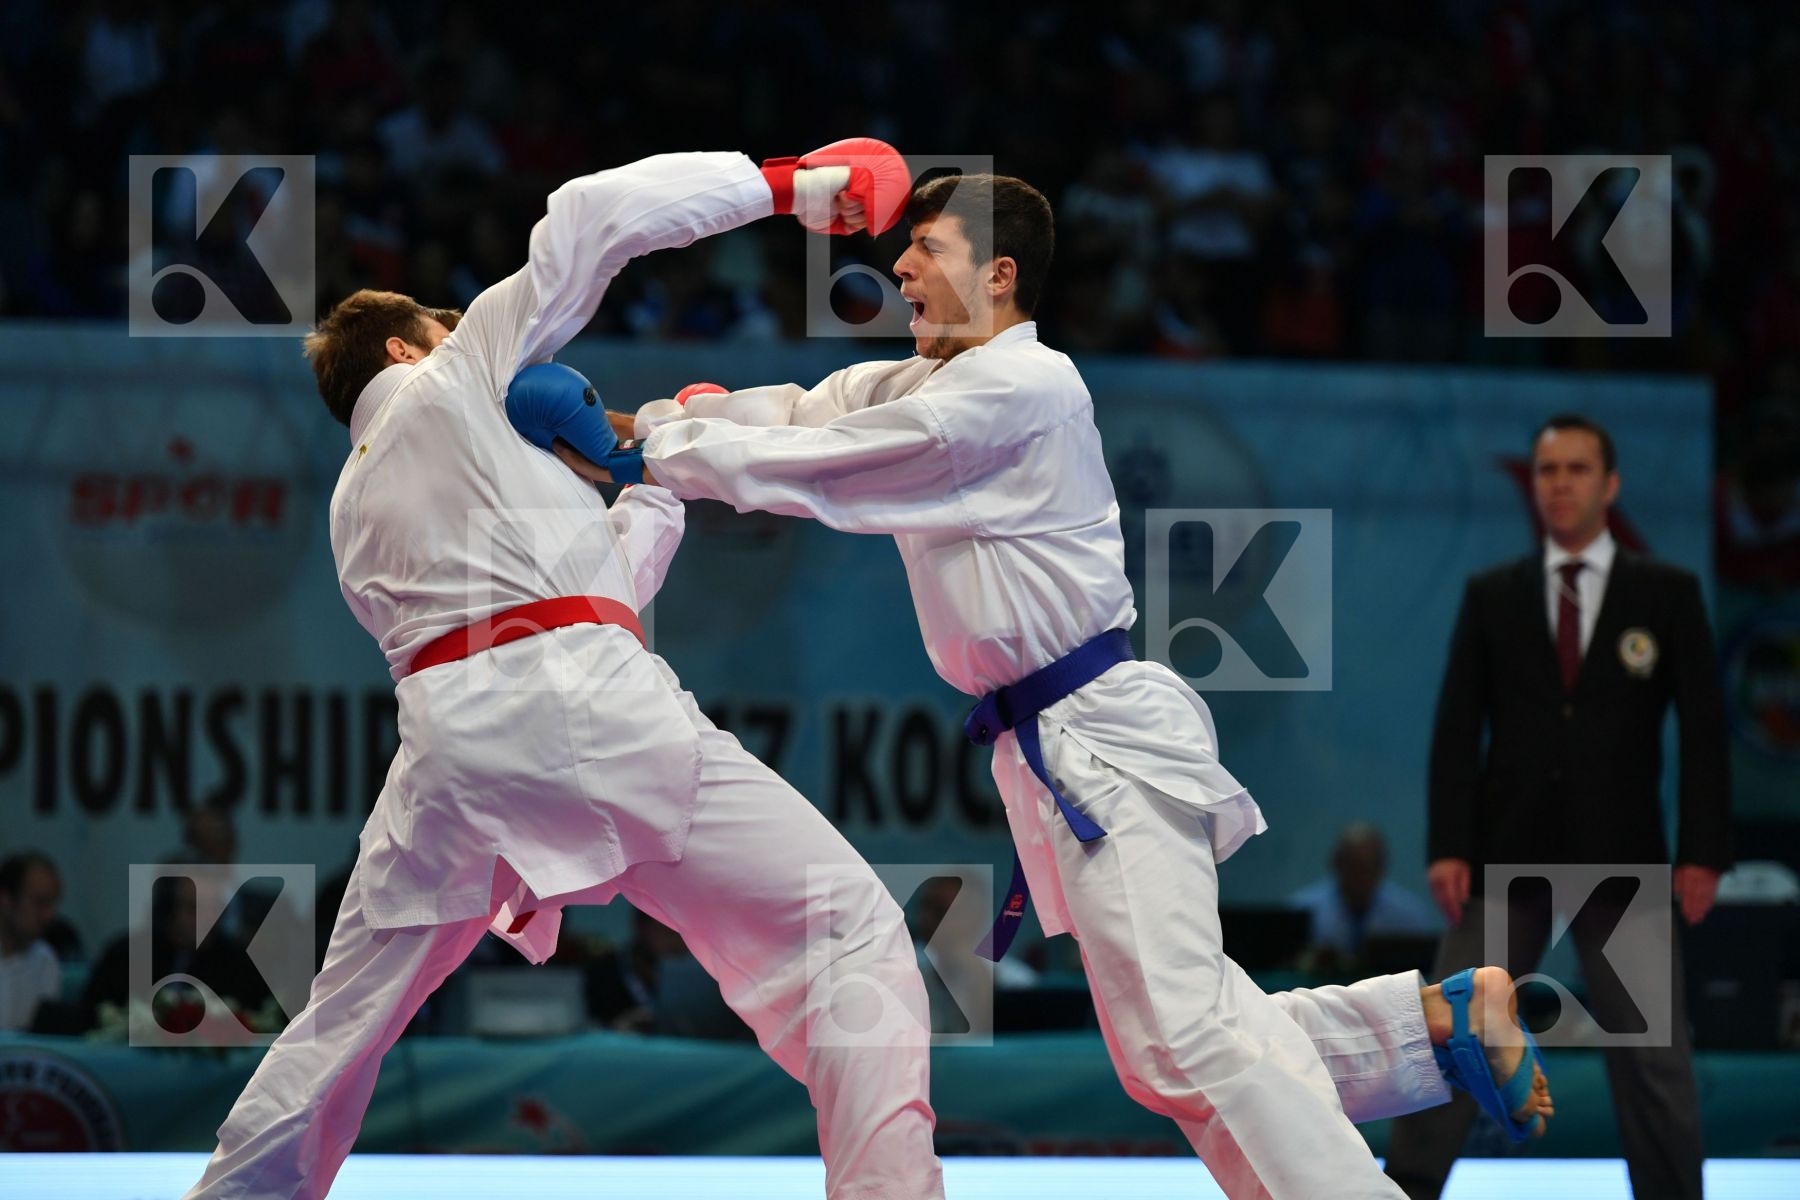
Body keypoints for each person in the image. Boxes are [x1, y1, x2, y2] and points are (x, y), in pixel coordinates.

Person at [532, 172, 1553, 1199]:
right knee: (1170, 1039)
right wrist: (629, 432)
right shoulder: (923, 382)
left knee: (1185, 1035)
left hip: (1103, 736)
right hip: (1060, 746)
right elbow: (798, 411)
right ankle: (1433, 1023)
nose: (900, 267)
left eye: (928, 247)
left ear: (999, 273)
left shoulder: (1027, 387)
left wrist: (653, 457)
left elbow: (837, 465)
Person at [183, 143, 946, 1200]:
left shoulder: (352, 511)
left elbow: (592, 602)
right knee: (847, 932)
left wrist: (650, 476)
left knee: (341, 1025)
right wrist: (787, 183)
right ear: (413, 345)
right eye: (450, 330)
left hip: (456, 761)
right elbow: (592, 212)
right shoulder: (454, 376)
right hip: (594, 715)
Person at [1384, 414, 1731, 1200]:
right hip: (1507, 855)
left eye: (1578, 469)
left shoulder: (1666, 594)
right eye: (1548, 471)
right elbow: (1456, 726)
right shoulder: (1494, 595)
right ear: (1535, 486)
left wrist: (1705, 851)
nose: (1562, 484)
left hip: (1625, 861)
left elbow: (1706, 733)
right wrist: (1447, 844)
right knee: (1456, 1033)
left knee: (1654, 1058)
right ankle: (1401, 1192)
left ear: (1609, 485)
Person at [1289, 823, 1440, 964]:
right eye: (1354, 864)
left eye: (1369, 865)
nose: (1361, 875)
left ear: (1382, 867)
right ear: (1337, 862)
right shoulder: (1302, 909)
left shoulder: (1409, 914)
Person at [0, 851, 63, 1031]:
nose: (49, 916)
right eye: (40, 903)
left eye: (53, 904)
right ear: (5, 899)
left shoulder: (45, 960)